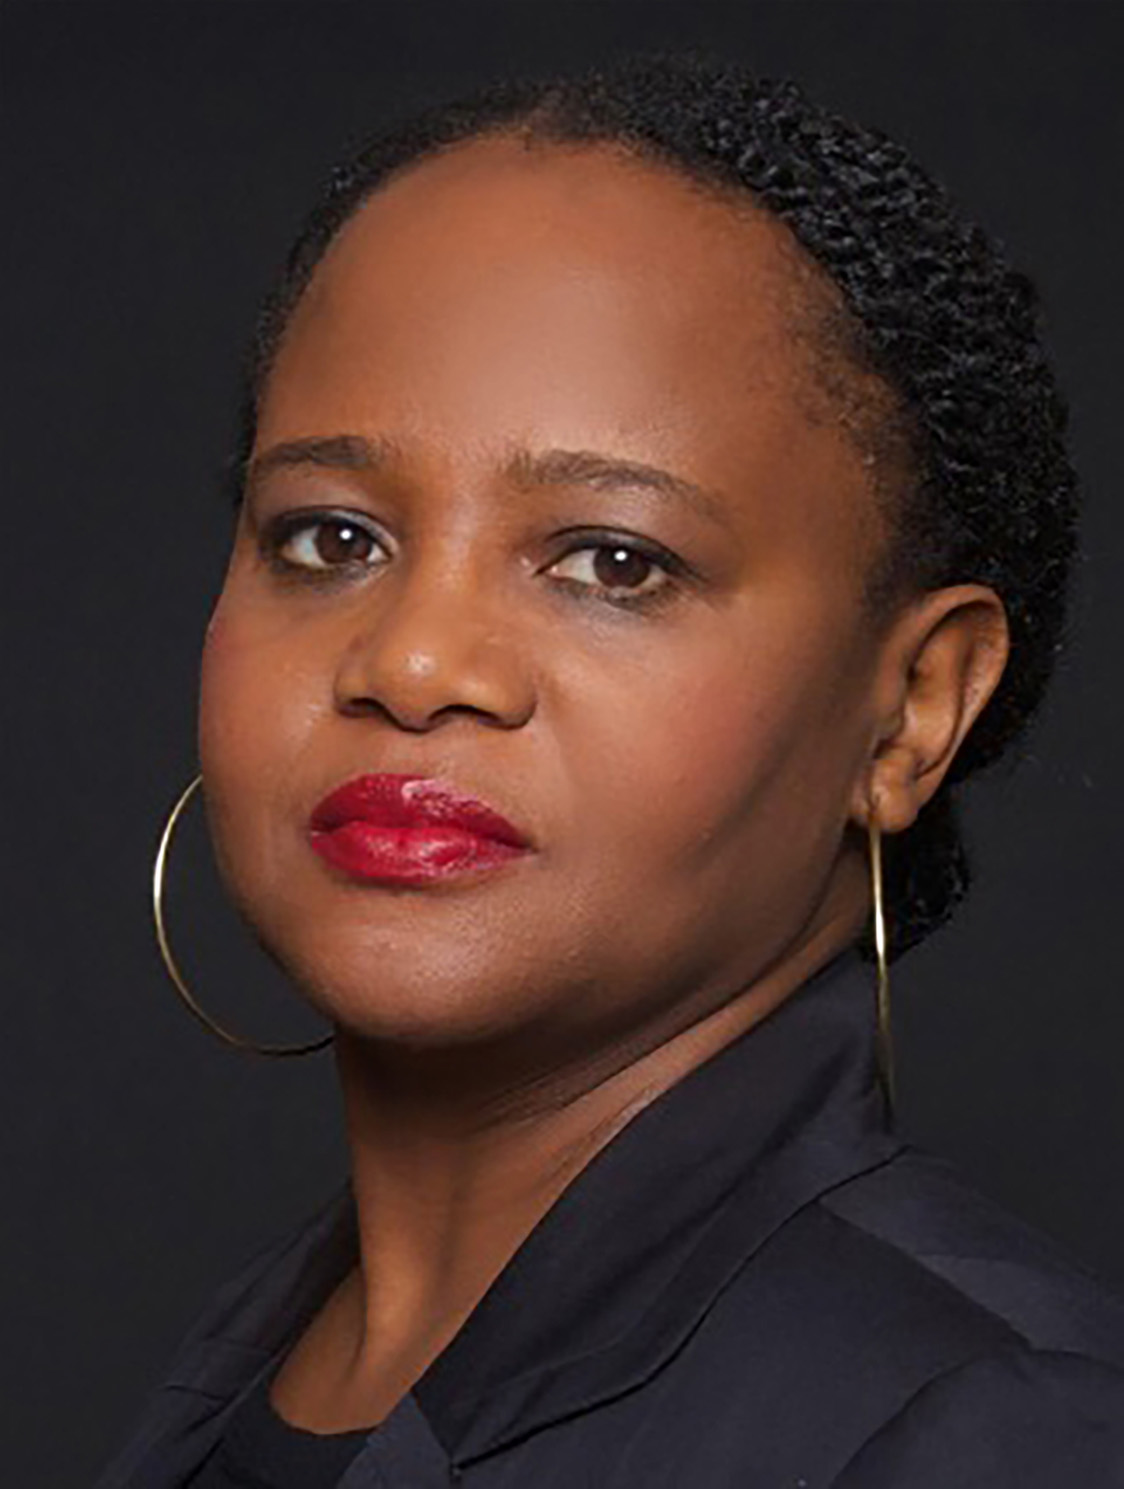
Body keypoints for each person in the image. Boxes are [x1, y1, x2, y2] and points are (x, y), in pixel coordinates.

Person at [97, 55, 1124, 1488]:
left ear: (909, 712)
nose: (412, 661)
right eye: (331, 538)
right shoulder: (254, 1362)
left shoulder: (997, 1426)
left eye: (612, 560)